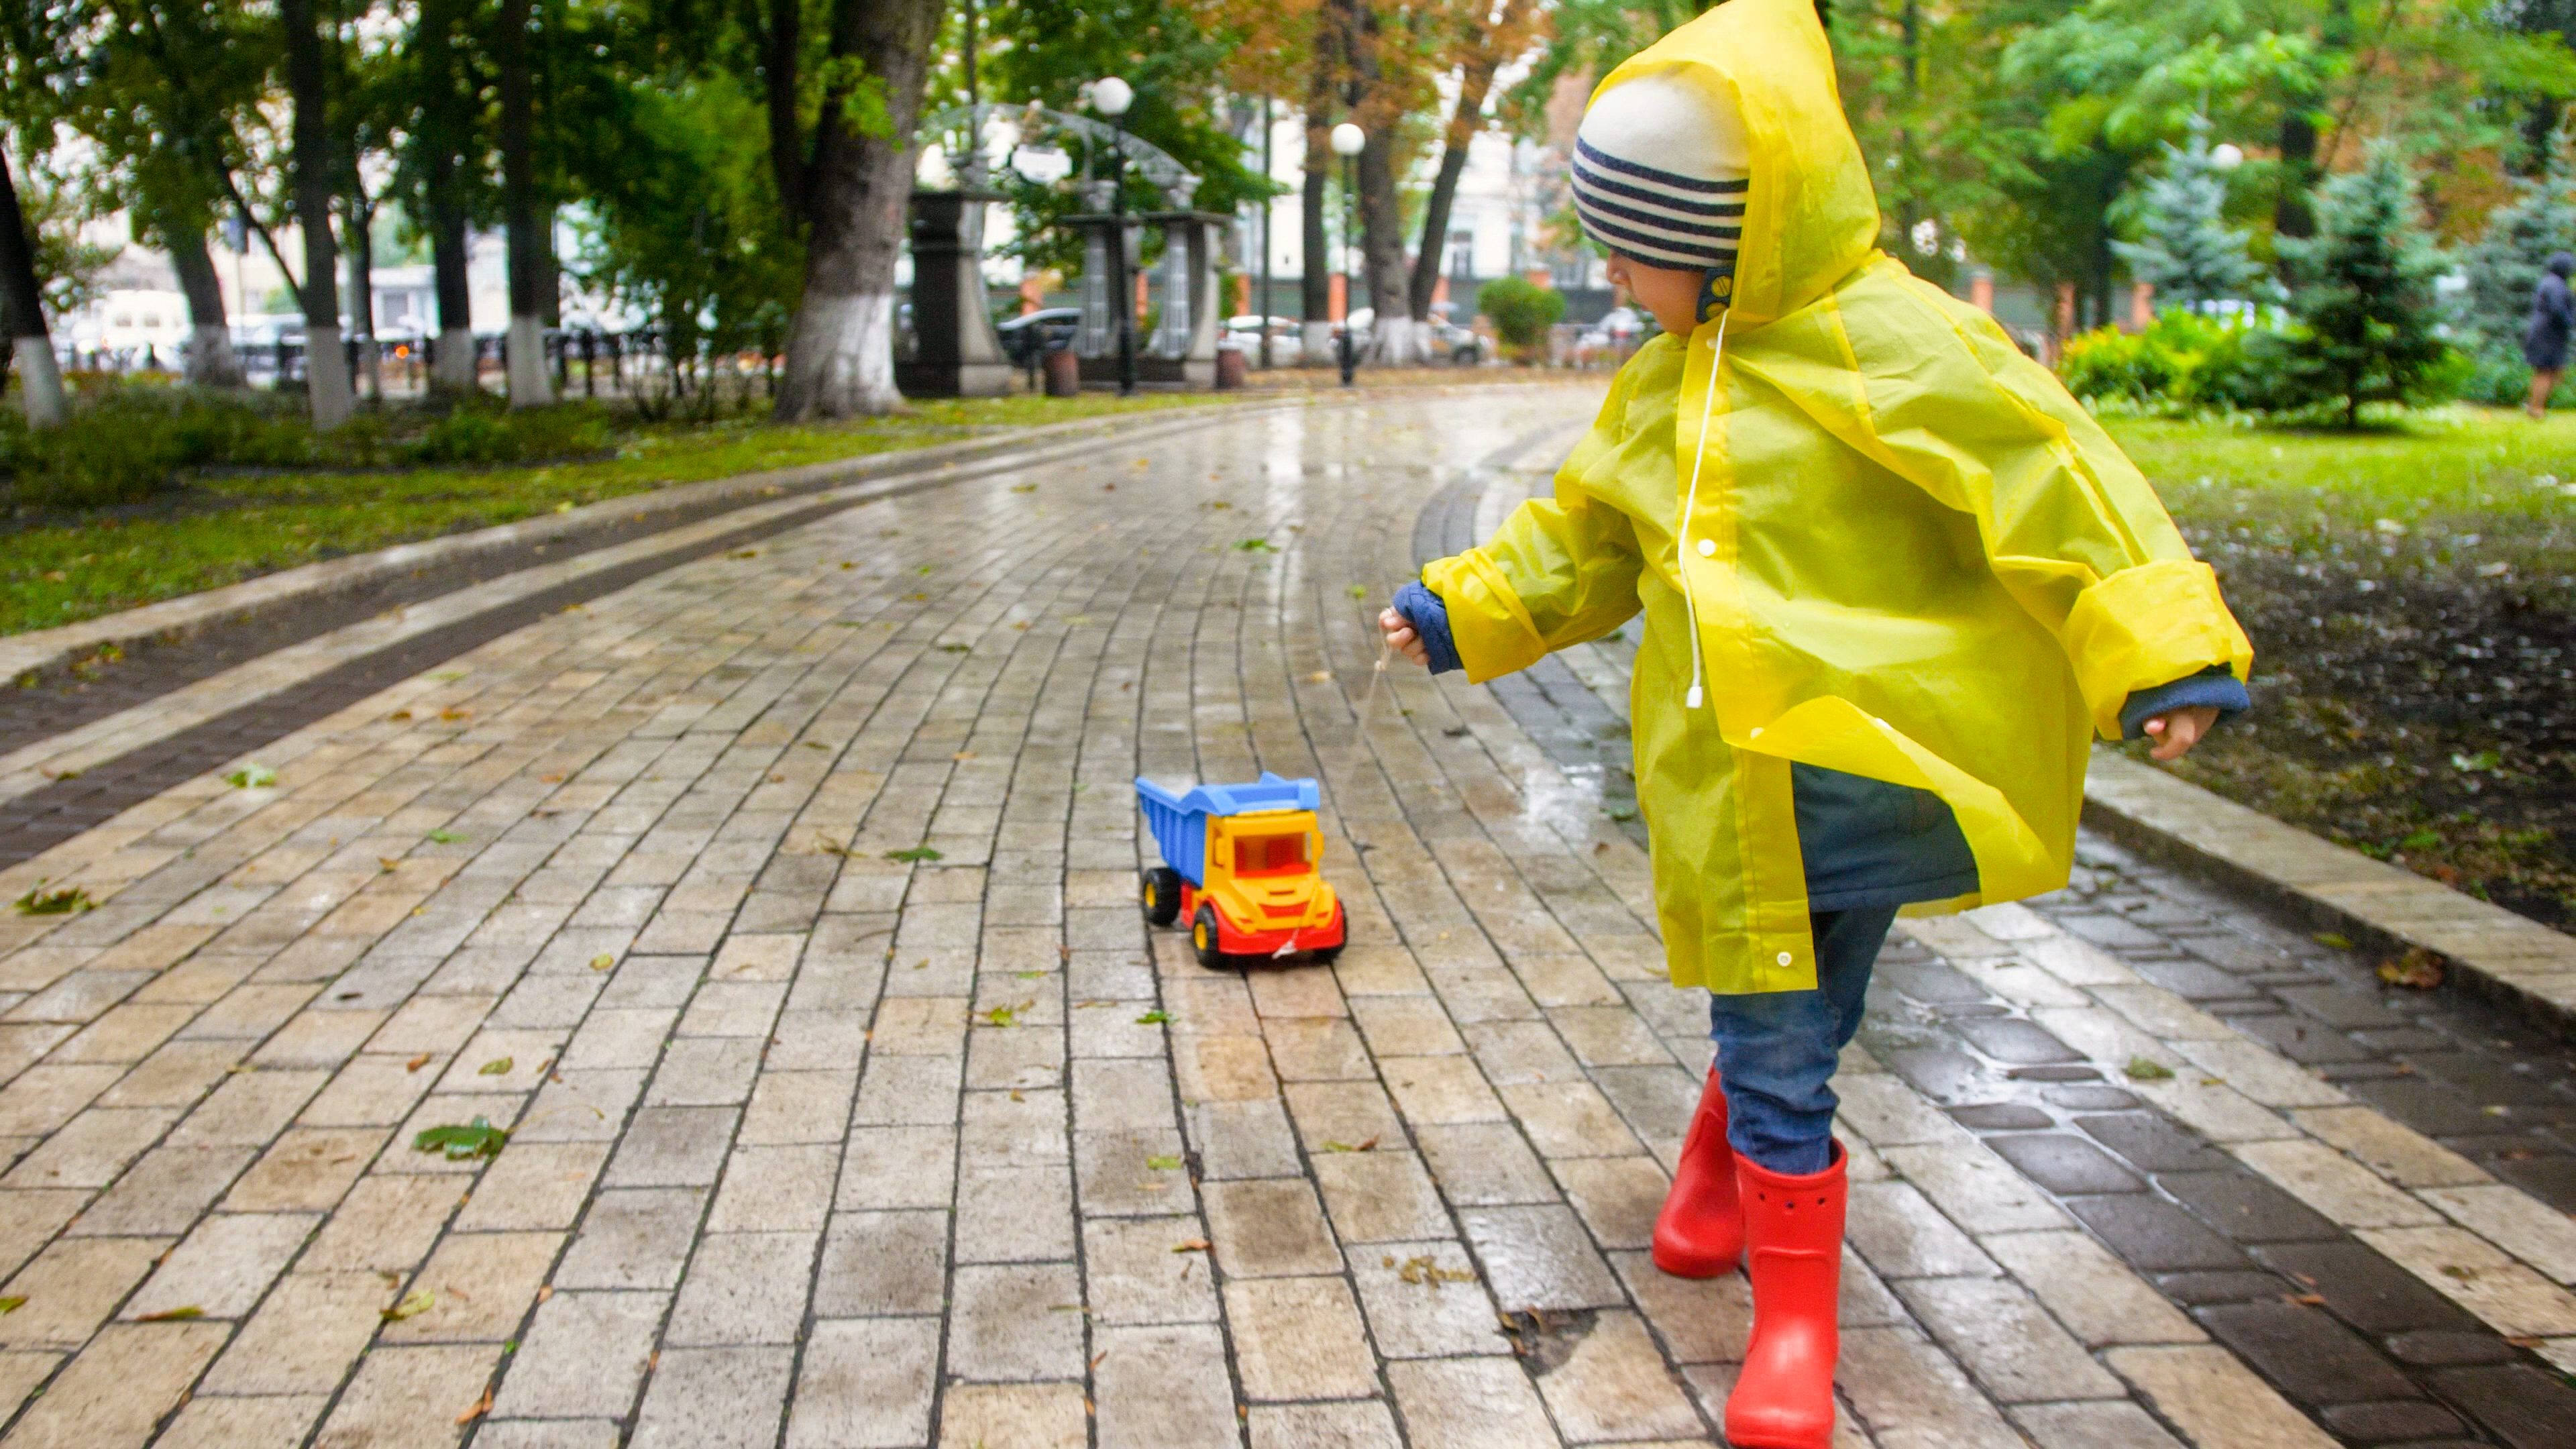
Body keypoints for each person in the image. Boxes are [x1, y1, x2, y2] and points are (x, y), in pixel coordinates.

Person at [1375, 1, 2251, 1444]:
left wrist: (2159, 650)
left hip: (1880, 767)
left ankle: (1759, 1249)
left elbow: (2057, 482)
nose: (1609, 274)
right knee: (1788, 1026)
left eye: (1629, 247)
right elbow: (1588, 543)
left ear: (1721, 237)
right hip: (1741, 781)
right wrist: (1465, 603)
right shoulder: (1666, 383)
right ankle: (1767, 1269)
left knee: (1807, 1008)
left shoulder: (1908, 348)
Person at [2524, 251, 2574, 420]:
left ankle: (2535, 406)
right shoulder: (2556, 285)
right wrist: (2570, 321)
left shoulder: (2552, 282)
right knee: (2545, 371)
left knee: (2552, 371)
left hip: (2547, 333)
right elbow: (2557, 310)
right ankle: (2536, 408)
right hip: (2548, 335)